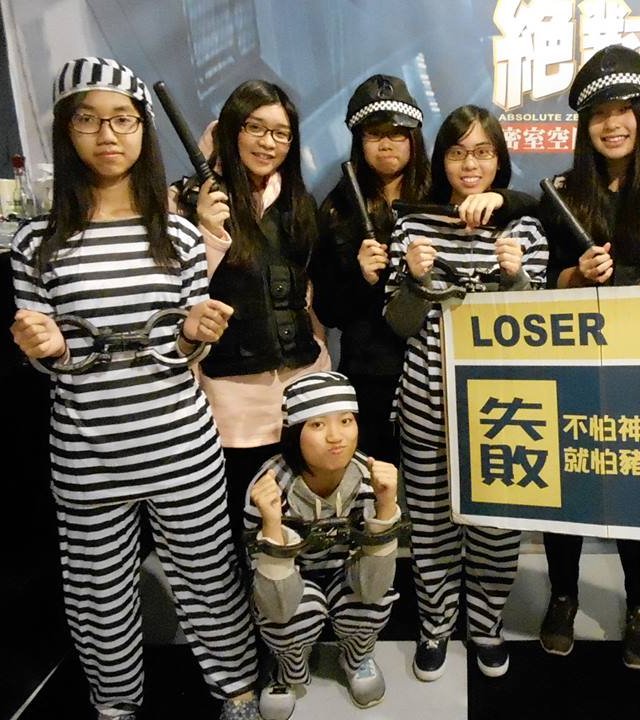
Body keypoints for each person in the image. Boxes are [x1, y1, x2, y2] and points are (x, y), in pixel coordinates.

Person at [10, 57, 260, 719]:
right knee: (97, 591)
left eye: (122, 119)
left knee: (208, 571)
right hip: (86, 447)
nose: (107, 135)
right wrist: (46, 348)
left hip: (179, 441)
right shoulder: (36, 241)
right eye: (87, 121)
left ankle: (237, 687)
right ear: (65, 131)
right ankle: (115, 702)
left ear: (143, 130)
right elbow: (48, 356)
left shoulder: (177, 234)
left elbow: (184, 349)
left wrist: (195, 333)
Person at [537, 44, 640, 667]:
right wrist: (577, 276)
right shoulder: (561, 191)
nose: (612, 124)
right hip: (572, 362)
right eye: (598, 113)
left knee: (639, 488)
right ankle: (562, 594)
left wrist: (637, 281)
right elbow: (544, 282)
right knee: (566, 486)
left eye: (623, 109)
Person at [384, 104, 549, 681]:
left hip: (505, 405)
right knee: (430, 524)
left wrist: (516, 278)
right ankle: (435, 624)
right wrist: (414, 280)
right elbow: (398, 323)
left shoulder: (525, 230)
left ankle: (486, 624)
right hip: (427, 399)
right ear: (441, 160)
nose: (470, 164)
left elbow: (540, 329)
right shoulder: (412, 226)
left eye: (482, 152)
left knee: (497, 524)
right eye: (457, 152)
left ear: (499, 159)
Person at [172, 79, 330, 544]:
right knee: (237, 527)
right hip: (230, 402)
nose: (268, 143)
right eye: (255, 128)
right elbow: (180, 297)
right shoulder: (187, 199)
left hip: (299, 390)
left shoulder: (297, 200)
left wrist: (321, 360)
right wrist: (206, 230)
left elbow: (305, 291)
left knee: (298, 525)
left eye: (281, 133)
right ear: (230, 129)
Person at [243, 372, 402, 716]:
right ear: (294, 433)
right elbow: (274, 605)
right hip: (292, 585)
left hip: (348, 575)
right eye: (317, 425)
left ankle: (357, 658)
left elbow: (374, 586)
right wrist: (271, 524)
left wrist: (386, 508)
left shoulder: (368, 479)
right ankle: (287, 670)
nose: (335, 437)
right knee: (289, 616)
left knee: (372, 601)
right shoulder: (270, 487)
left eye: (345, 421)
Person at [312, 74, 431, 462]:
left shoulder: (438, 196)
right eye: (374, 134)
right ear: (359, 141)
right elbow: (328, 310)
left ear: (413, 139)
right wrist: (359, 276)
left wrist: (501, 199)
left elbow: (514, 202)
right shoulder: (337, 208)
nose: (386, 143)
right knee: (376, 479)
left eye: (397, 134)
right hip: (369, 373)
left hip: (433, 366)